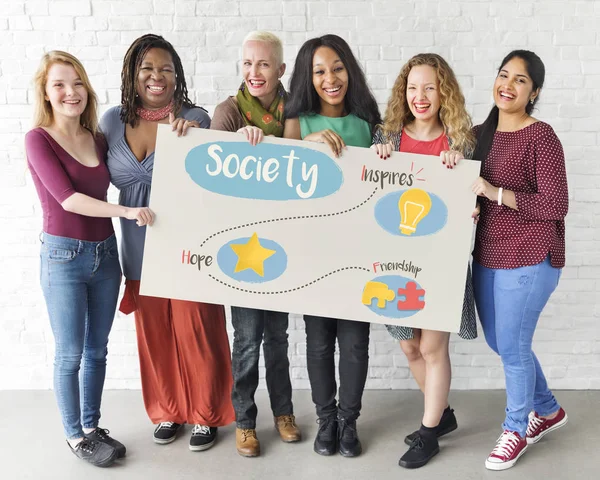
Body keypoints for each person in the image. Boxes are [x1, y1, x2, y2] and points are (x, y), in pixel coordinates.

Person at [100, 34, 234, 452]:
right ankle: (168, 409)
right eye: (147, 69)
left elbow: (214, 179)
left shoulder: (196, 117)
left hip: (188, 247)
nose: (156, 76)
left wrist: (194, 140)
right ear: (132, 75)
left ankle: (206, 415)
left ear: (177, 76)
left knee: (198, 330)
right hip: (138, 246)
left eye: (166, 69)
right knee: (154, 334)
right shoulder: (109, 121)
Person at [26, 51, 154, 467]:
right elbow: (70, 199)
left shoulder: (97, 136)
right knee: (70, 353)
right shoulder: (38, 139)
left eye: (77, 82)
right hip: (63, 257)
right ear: (45, 93)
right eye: (59, 85)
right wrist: (128, 212)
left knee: (97, 349)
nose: (70, 92)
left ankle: (91, 426)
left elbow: (136, 166)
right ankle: (73, 435)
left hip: (105, 255)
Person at [372, 53, 478, 469]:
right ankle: (443, 415)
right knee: (410, 346)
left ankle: (429, 433)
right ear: (404, 92)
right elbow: (365, 197)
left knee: (433, 347)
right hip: (396, 261)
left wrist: (462, 179)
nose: (420, 96)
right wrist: (374, 167)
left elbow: (475, 200)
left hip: (441, 261)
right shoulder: (387, 139)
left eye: (430, 88)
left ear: (443, 92)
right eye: (412, 88)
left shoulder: (460, 142)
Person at [284, 34, 382, 458]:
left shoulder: (367, 121)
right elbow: (280, 172)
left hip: (358, 250)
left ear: (350, 71)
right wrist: (308, 145)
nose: (330, 78)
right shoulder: (297, 121)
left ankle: (348, 421)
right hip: (313, 250)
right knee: (320, 341)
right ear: (308, 77)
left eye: (337, 68)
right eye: (319, 71)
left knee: (356, 342)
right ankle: (326, 419)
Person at [470, 50, 568, 471]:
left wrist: (493, 192)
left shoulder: (540, 136)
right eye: (503, 75)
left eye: (520, 80)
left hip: (531, 254)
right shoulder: (479, 132)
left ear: (534, 92)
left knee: (512, 345)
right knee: (501, 343)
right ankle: (547, 409)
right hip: (487, 252)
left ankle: (516, 428)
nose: (507, 85)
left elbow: (556, 204)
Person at [210, 31, 300, 458]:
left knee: (278, 337)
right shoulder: (228, 112)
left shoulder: (294, 109)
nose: (254, 72)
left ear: (280, 70)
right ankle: (245, 420)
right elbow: (213, 177)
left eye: (263, 64)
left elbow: (305, 163)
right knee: (246, 339)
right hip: (241, 247)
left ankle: (284, 412)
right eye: (247, 64)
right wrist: (237, 148)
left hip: (281, 243)